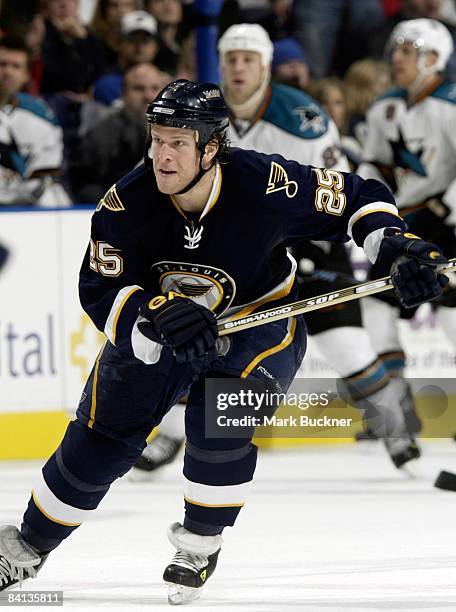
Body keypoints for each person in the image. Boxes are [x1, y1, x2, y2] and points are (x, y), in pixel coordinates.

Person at [0, 79, 448, 604]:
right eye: (157, 139)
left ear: (212, 147)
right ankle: (24, 549)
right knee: (100, 439)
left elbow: (357, 196)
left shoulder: (265, 184)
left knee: (217, 416)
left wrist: (395, 245)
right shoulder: (125, 203)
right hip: (161, 330)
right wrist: (153, 316)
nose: (162, 156)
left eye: (179, 143)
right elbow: (100, 288)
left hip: (259, 321)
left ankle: (199, 541)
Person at [135, 23, 423, 475]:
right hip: (230, 252)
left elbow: (335, 193)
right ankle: (173, 433)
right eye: (231, 58)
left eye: (249, 59)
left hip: (306, 243)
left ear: (266, 65)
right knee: (202, 340)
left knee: (346, 344)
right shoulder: (198, 111)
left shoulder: (302, 118)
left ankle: (395, 422)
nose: (239, 67)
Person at [358, 17, 456, 450]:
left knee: (454, 319)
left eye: (407, 50)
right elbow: (374, 165)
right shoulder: (385, 108)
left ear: (433, 59)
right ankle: (399, 417)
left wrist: (441, 213)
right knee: (376, 315)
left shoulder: (452, 105)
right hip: (404, 229)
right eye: (395, 49)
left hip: (448, 228)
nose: (396, 58)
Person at [71, 62, 168, 202]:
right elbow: (83, 186)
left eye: (155, 88)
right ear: (123, 94)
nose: (148, 96)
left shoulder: (179, 133)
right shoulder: (100, 136)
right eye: (139, 89)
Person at [0, 37, 70, 206]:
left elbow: (45, 173)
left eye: (16, 66)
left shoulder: (40, 114)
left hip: (27, 200)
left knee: (55, 198)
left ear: (26, 75)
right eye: (2, 64)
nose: (8, 72)